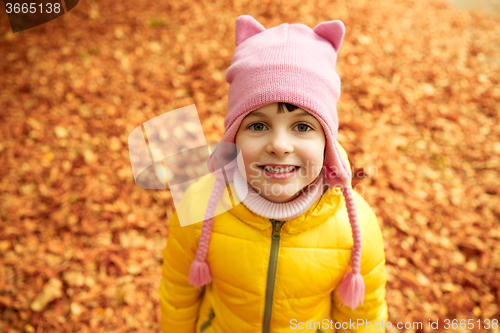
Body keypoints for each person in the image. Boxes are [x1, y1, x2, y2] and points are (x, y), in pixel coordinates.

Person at [159, 14, 388, 333]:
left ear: (327, 144)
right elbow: (178, 296)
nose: (279, 145)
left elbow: (361, 319)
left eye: (303, 126)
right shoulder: (200, 208)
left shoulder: (354, 228)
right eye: (257, 125)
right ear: (233, 138)